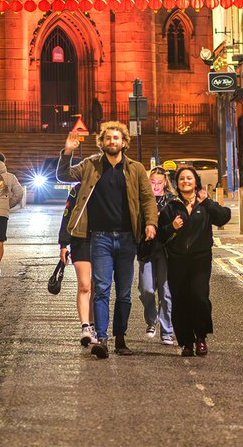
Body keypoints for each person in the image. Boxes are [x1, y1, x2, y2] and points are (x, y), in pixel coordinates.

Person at [57, 121, 158, 359]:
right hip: (99, 238)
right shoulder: (90, 164)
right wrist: (68, 152)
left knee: (124, 293)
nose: (112, 142)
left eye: (116, 138)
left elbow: (147, 199)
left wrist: (151, 223)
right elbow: (64, 175)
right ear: (101, 143)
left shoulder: (135, 169)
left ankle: (120, 338)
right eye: (108, 138)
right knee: (101, 289)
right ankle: (101, 338)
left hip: (126, 239)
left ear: (124, 142)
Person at [159, 165, 231, 356]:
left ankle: (201, 337)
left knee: (199, 297)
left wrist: (208, 202)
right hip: (177, 260)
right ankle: (186, 342)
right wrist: (172, 227)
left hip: (200, 259)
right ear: (177, 183)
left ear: (196, 181)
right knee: (180, 300)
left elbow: (223, 217)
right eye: (182, 179)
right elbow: (160, 234)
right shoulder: (172, 206)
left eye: (189, 178)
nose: (185, 182)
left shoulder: (204, 204)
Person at [138, 167, 175, 345]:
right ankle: (152, 320)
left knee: (166, 293)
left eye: (159, 182)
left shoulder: (172, 201)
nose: (156, 186)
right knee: (146, 290)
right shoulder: (143, 200)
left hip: (166, 251)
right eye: (153, 182)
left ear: (165, 183)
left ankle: (167, 331)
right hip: (146, 250)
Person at [58, 183, 96, 347]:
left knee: (97, 287)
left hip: (103, 240)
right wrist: (64, 245)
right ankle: (85, 327)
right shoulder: (77, 189)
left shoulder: (109, 185)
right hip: (81, 241)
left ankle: (95, 325)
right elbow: (67, 215)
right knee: (84, 286)